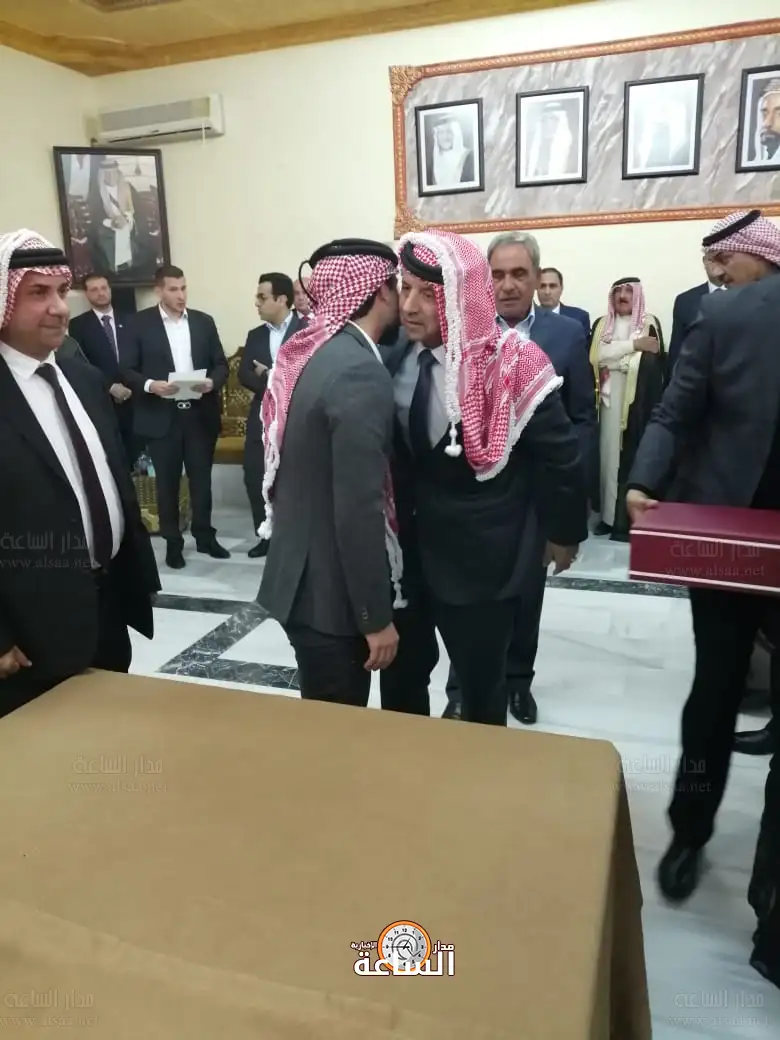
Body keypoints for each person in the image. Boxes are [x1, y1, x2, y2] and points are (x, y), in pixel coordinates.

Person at [624, 211, 780, 984]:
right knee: (715, 689)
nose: (716, 273)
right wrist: (644, 480)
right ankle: (692, 828)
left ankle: (749, 876)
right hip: (729, 537)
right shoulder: (727, 316)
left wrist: (645, 476)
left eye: (726, 261)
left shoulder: (724, 312)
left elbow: (673, 410)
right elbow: (676, 409)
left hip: (740, 533)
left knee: (716, 692)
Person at [380, 231, 588, 726]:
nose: (409, 306)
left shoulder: (514, 362)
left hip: (483, 561)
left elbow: (561, 455)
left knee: (481, 688)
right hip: (406, 558)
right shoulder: (393, 353)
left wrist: (563, 533)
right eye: (405, 289)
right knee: (403, 676)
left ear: (460, 296)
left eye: (427, 294)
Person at [0, 228, 160, 716]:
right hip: (29, 633)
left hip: (107, 607)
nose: (58, 308)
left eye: (60, 292)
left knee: (109, 737)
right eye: (37, 293)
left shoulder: (84, 379)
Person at [445, 231, 596, 725]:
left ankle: (518, 682)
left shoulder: (566, 334)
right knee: (466, 598)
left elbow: (581, 419)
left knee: (526, 596)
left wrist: (570, 508)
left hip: (535, 494)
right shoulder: (462, 332)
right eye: (497, 274)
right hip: (475, 494)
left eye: (518, 274)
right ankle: (461, 687)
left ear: (536, 278)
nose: (507, 285)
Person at [257, 239, 403, 707]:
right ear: (381, 291)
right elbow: (358, 507)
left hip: (301, 580)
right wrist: (374, 617)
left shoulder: (316, 354)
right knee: (335, 732)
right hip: (330, 599)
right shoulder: (358, 370)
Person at [121, 264, 229, 569]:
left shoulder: (203, 322)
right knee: (167, 484)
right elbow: (126, 369)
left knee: (201, 481)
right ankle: (173, 542)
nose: (181, 295)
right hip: (161, 416)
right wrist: (150, 385)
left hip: (199, 414)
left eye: (183, 288)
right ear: (159, 291)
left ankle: (205, 536)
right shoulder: (138, 324)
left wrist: (212, 382)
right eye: (173, 289)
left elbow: (221, 364)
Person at [590, 277, 665, 541]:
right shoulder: (602, 324)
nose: (622, 296)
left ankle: (627, 522)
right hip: (607, 405)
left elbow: (651, 360)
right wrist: (633, 346)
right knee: (607, 461)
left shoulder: (648, 323)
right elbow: (596, 356)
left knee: (631, 459)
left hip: (637, 405)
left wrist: (616, 359)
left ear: (638, 296)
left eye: (628, 291)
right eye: (618, 291)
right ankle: (608, 519)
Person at [238, 272, 304, 558]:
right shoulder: (255, 335)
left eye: (262, 297)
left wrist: (269, 374)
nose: (257, 303)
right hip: (261, 418)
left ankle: (295, 538)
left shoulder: (307, 331)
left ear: (282, 299)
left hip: (297, 419)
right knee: (254, 475)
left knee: (294, 480)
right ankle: (265, 536)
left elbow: (305, 376)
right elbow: (244, 374)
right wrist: (276, 380)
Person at [69, 273, 137, 468]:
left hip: (135, 397)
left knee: (138, 456)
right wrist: (110, 386)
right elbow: (82, 363)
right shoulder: (78, 325)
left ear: (110, 289)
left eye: (104, 288)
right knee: (114, 458)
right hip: (103, 400)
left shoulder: (132, 319)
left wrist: (131, 385)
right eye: (94, 289)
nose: (100, 293)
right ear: (86, 294)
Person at [667, 254, 724, 373]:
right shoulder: (685, 300)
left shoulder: (746, 295)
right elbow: (676, 349)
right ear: (704, 261)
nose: (715, 263)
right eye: (710, 259)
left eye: (719, 258)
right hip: (697, 377)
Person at [536, 266, 590, 339]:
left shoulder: (579, 318)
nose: (547, 292)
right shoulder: (526, 318)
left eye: (552, 286)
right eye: (542, 286)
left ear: (561, 288)